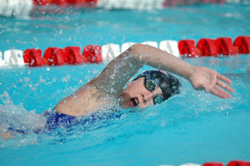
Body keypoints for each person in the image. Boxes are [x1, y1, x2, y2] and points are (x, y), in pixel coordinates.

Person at [0, 44, 234, 140]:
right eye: (150, 86)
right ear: (135, 79)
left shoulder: (121, 119)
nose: (147, 97)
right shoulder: (102, 93)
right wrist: (190, 70)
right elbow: (136, 52)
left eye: (157, 99)